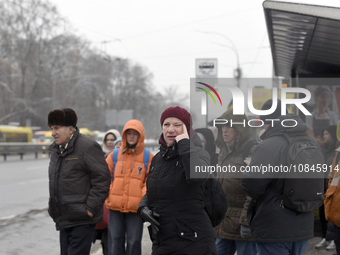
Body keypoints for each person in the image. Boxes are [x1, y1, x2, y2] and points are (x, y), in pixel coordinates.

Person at [137, 106, 217, 255]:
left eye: (177, 125)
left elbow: (197, 176)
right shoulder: (158, 159)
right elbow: (154, 190)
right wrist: (142, 207)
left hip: (193, 241)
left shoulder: (200, 154)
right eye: (166, 124)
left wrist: (184, 143)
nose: (170, 130)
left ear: (187, 129)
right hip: (162, 239)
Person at [241, 99, 317, 255]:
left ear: (268, 122)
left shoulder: (268, 145)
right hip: (304, 225)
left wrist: (250, 170)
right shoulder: (312, 142)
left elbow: (252, 186)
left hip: (274, 228)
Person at [47, 108, 111, 255]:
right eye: (51, 128)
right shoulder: (56, 151)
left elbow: (103, 179)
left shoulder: (87, 147)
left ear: (70, 129)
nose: (53, 133)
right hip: (64, 218)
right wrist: (53, 208)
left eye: (56, 128)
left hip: (82, 219)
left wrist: (89, 209)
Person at [105, 119, 153, 255]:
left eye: (135, 133)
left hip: (135, 209)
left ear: (140, 136)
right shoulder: (114, 155)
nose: (131, 136)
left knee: (134, 243)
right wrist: (109, 195)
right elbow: (103, 178)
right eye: (129, 133)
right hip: (115, 207)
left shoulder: (148, 157)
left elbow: (151, 182)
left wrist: (141, 198)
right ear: (124, 135)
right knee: (115, 242)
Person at [213, 108, 257, 255]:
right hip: (224, 221)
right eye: (222, 126)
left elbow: (254, 190)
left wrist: (245, 221)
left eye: (229, 126)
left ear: (240, 128)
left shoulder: (252, 150)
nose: (224, 130)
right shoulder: (224, 151)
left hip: (242, 223)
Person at [94, 128, 121, 255]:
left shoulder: (122, 158)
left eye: (113, 140)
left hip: (115, 201)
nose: (110, 142)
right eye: (108, 140)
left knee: (111, 238)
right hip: (101, 201)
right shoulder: (98, 156)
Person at [315, 125, 338, 250]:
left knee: (333, 213)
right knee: (323, 212)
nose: (324, 136)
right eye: (324, 134)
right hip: (322, 185)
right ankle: (326, 237)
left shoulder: (336, 152)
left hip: (332, 186)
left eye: (327, 134)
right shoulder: (324, 150)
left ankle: (334, 238)